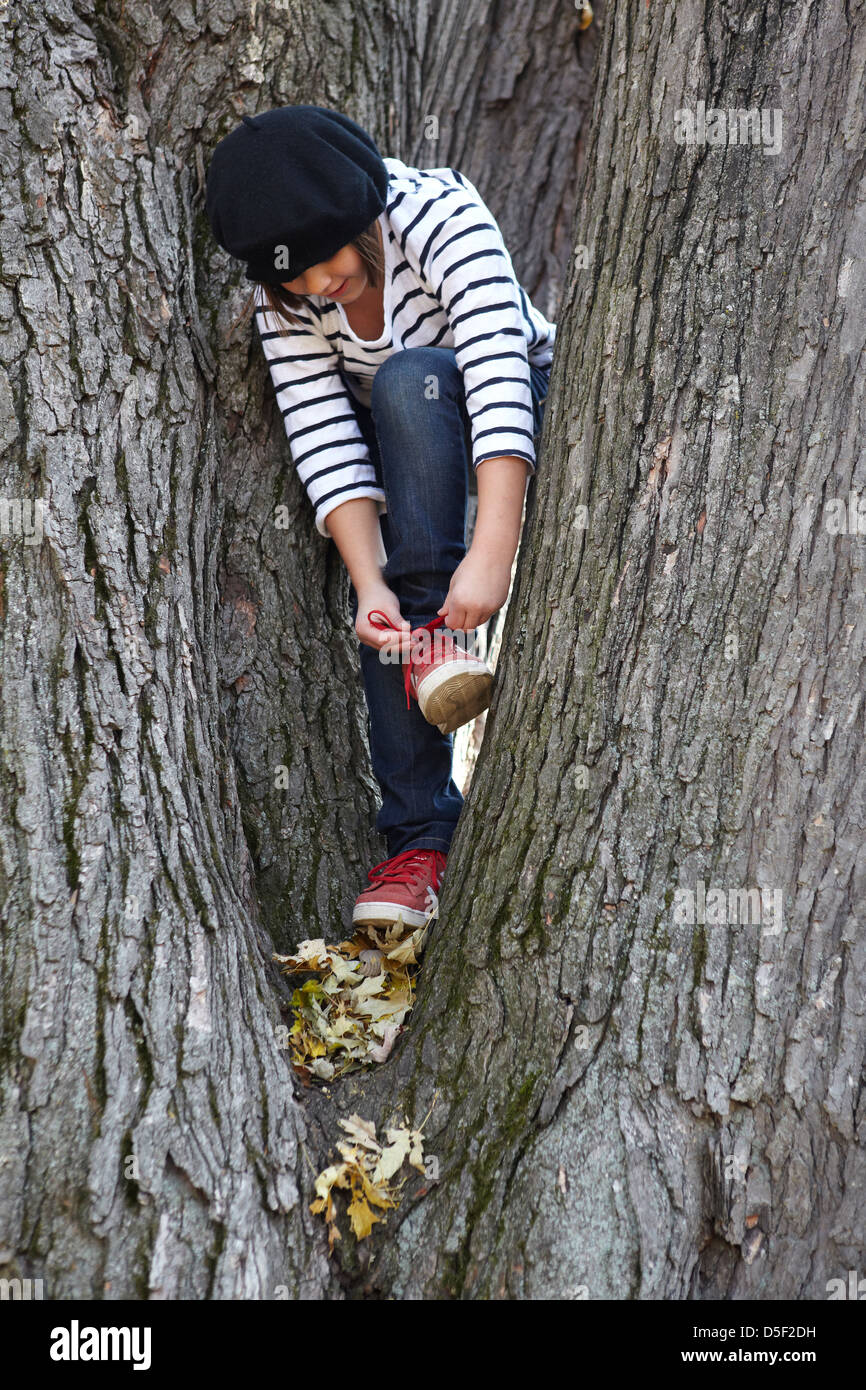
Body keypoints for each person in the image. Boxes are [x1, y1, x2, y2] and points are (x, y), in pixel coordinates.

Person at [205, 105, 555, 931]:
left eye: (328, 257)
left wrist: (494, 550)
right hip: (406, 459)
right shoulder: (287, 301)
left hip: (502, 407)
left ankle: (437, 636)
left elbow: (500, 365)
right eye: (294, 276)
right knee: (385, 606)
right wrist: (371, 588)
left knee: (406, 381)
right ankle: (419, 839)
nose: (320, 285)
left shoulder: (436, 212)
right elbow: (321, 432)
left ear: (362, 214)